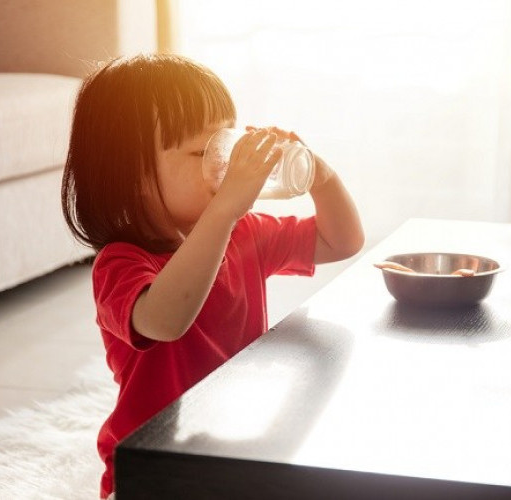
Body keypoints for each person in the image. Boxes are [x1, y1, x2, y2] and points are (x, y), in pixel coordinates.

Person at [61, 53, 364, 499]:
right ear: (133, 174)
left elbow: (342, 241)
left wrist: (321, 175)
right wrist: (224, 211)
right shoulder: (121, 263)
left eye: (224, 141)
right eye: (203, 151)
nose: (223, 161)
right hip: (155, 462)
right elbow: (165, 321)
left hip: (233, 438)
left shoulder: (245, 232)